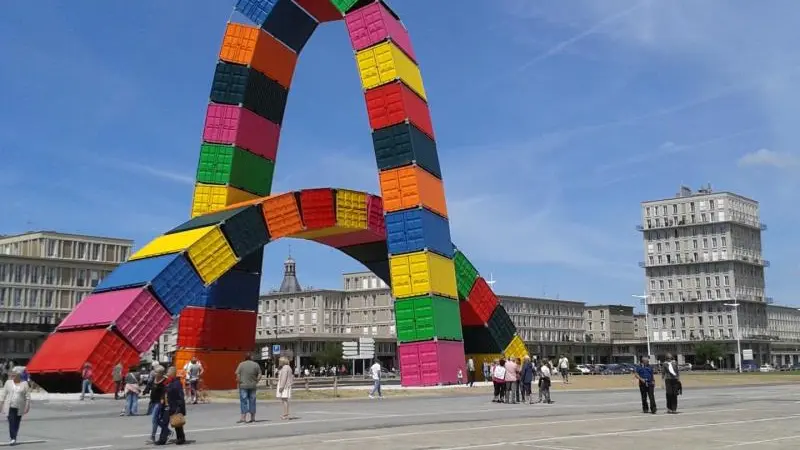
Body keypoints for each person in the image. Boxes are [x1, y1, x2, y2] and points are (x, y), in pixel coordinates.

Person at [0, 367, 31, 446]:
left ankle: (14, 437)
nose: (12, 376)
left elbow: (27, 397)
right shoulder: (8, 383)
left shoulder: (24, 384)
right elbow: (3, 395)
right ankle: (13, 438)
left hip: (20, 407)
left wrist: (27, 406)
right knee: (11, 422)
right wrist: (1, 404)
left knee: (16, 423)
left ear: (19, 375)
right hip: (9, 406)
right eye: (12, 375)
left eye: (14, 375)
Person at [156, 366, 186, 445]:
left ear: (172, 373)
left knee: (177, 423)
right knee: (164, 422)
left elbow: (180, 396)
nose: (167, 373)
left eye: (168, 372)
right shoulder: (167, 382)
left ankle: (181, 438)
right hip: (166, 406)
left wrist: (180, 407)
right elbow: (163, 391)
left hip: (174, 406)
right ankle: (162, 439)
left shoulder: (177, 383)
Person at [235, 354, 262, 423]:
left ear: (245, 358)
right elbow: (260, 374)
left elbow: (237, 374)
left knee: (244, 401)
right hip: (253, 385)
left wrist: (239, 381)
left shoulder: (241, 364)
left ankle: (243, 418)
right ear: (251, 358)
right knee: (252, 401)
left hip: (243, 385)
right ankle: (253, 418)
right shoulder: (255, 364)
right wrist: (257, 381)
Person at [148, 366, 167, 443]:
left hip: (159, 402)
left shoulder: (164, 381)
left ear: (161, 373)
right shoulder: (154, 379)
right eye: (155, 371)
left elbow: (164, 391)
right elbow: (150, 387)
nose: (154, 373)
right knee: (156, 420)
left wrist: (162, 398)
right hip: (153, 401)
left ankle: (152, 437)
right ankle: (167, 431)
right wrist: (145, 391)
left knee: (154, 419)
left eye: (156, 372)